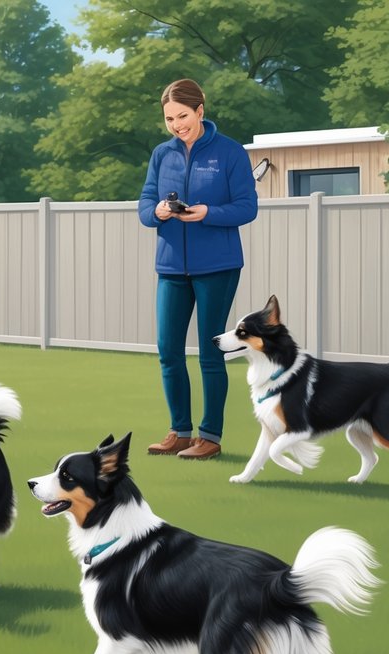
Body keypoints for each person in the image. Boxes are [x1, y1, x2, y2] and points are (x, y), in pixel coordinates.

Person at [137, 79, 258, 460]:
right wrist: (156, 212)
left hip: (218, 267)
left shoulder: (230, 153)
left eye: (183, 116)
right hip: (171, 267)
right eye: (170, 118)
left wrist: (207, 214)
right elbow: (144, 203)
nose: (176, 124)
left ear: (200, 110)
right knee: (168, 351)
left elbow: (247, 207)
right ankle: (180, 431)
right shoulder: (162, 154)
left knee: (210, 353)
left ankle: (210, 436)